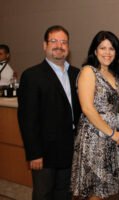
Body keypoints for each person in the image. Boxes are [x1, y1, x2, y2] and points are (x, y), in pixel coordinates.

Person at [17, 25, 81, 200]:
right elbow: (27, 118)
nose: (59, 45)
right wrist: (34, 153)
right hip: (44, 152)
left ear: (68, 47)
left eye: (63, 42)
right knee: (43, 194)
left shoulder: (77, 74)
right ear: (44, 45)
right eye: (54, 41)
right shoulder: (32, 75)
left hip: (70, 148)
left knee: (65, 193)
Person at [71, 31, 119, 200]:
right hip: (95, 138)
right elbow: (87, 108)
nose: (107, 52)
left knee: (106, 190)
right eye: (102, 48)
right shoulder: (88, 72)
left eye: (111, 48)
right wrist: (112, 134)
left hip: (114, 138)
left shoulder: (115, 75)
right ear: (95, 51)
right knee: (94, 190)